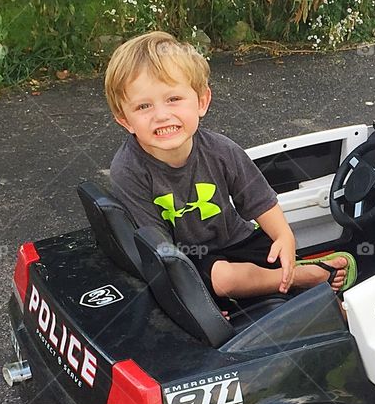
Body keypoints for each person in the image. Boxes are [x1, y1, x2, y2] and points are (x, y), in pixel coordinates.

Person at [103, 31, 356, 303]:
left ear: (201, 102)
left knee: (274, 252)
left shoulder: (221, 150)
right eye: (143, 106)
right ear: (125, 120)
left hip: (237, 240)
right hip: (186, 257)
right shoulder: (129, 169)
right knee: (223, 279)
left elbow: (260, 201)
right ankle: (298, 277)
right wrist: (196, 305)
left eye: (173, 99)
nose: (161, 115)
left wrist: (284, 236)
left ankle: (298, 272)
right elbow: (158, 249)